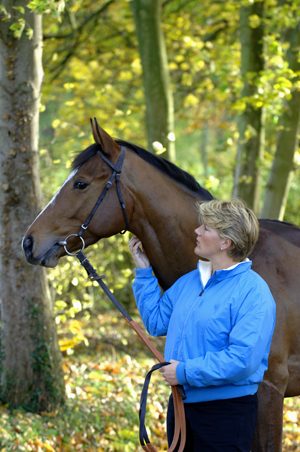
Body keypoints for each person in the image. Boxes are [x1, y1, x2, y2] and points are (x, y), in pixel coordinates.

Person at [128, 199, 276, 452]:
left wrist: (185, 372)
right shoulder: (189, 282)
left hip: (226, 415)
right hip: (181, 408)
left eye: (206, 228)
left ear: (225, 242)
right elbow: (155, 321)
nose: (197, 231)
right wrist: (143, 271)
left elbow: (242, 360)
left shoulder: (254, 292)